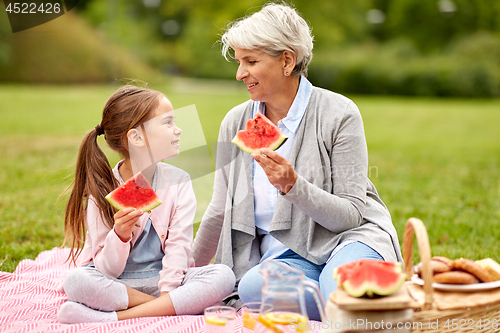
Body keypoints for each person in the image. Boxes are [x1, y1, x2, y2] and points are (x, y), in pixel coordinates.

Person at [192, 3, 403, 321]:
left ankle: (343, 298)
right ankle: (352, 307)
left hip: (347, 240)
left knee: (339, 286)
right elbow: (219, 209)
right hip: (287, 257)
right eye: (239, 62)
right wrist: (183, 273)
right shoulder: (236, 121)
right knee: (251, 288)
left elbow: (349, 217)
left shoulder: (338, 113)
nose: (239, 74)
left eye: (251, 61)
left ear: (287, 61)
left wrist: (293, 186)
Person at [58, 85, 235, 324]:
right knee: (76, 280)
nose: (178, 130)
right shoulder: (101, 190)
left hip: (164, 280)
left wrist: (168, 291)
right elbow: (106, 270)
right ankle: (167, 307)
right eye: (168, 122)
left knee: (223, 276)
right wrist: (120, 235)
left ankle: (112, 318)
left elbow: (179, 246)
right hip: (117, 284)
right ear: (137, 137)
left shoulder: (179, 180)